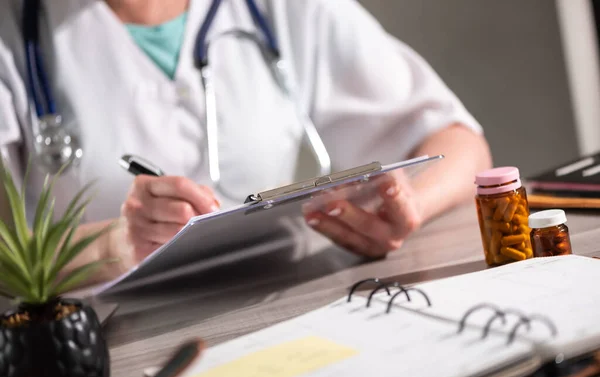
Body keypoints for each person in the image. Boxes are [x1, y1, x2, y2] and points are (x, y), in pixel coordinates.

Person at [0, 0, 492, 285]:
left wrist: (407, 206)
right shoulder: (14, 33)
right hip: (104, 352)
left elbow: (462, 146)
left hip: (281, 307)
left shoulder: (285, 8)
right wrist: (119, 242)